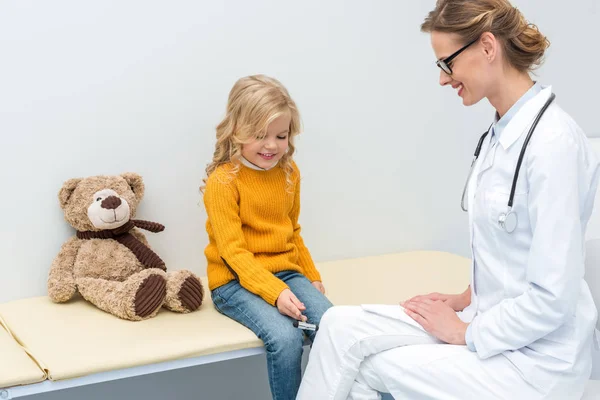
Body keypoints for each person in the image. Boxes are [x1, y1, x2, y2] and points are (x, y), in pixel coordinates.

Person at [297, 1, 600, 399]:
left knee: (365, 364)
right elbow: (515, 248)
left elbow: (553, 298)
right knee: (338, 326)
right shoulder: (501, 133)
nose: (444, 80)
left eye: (447, 64)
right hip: (493, 323)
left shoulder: (552, 144)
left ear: (487, 47)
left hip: (537, 362)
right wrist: (465, 298)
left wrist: (467, 331)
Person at [201, 74, 332, 400]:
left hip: (285, 273)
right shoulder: (224, 182)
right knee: (285, 339)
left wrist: (311, 276)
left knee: (332, 325)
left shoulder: (289, 172)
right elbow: (234, 253)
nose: (272, 145)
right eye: (260, 135)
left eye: (281, 135)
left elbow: (293, 230)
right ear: (237, 131)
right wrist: (276, 294)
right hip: (232, 282)